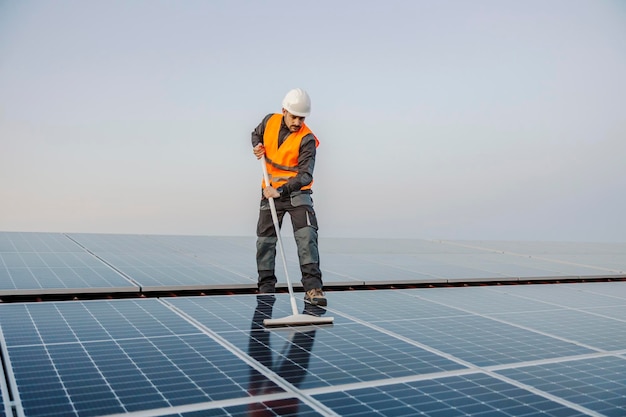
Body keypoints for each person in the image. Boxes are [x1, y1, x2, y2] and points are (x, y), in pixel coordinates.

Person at [251, 88, 326, 306]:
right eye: (293, 116)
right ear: (284, 110)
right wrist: (257, 146)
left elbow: (305, 175)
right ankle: (265, 289)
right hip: (269, 191)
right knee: (265, 241)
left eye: (302, 118)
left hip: (297, 194)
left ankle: (313, 289)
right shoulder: (269, 121)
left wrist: (281, 190)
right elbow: (255, 134)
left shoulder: (307, 139)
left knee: (307, 238)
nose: (297, 122)